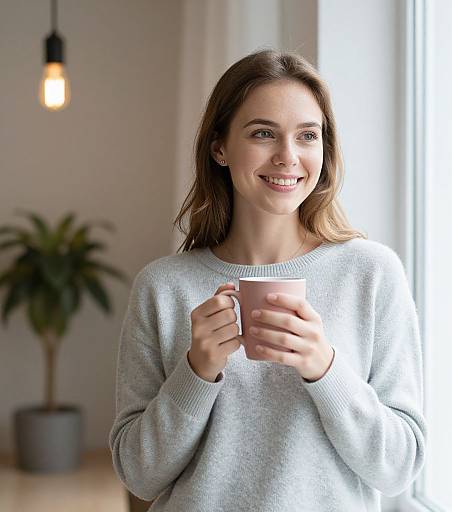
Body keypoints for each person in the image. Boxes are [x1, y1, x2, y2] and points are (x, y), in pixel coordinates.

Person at [109, 48, 427, 512]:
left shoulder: (372, 275)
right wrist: (196, 371)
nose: (288, 157)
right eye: (263, 133)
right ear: (219, 147)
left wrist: (326, 368)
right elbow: (138, 473)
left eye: (307, 136)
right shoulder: (162, 287)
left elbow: (399, 468)